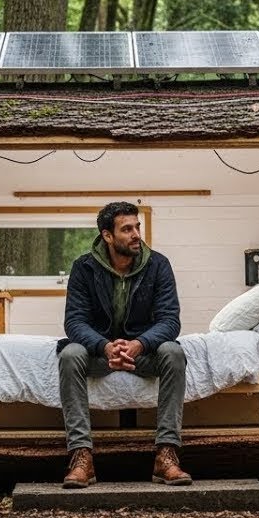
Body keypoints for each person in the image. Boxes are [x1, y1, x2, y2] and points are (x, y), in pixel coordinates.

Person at [57, 201, 190, 489]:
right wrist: (105, 346)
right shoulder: (84, 267)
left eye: (137, 227)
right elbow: (74, 321)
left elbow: (170, 320)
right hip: (99, 353)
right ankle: (81, 457)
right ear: (107, 235)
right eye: (127, 229)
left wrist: (140, 344)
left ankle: (166, 454)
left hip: (142, 352)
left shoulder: (158, 265)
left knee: (173, 352)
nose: (136, 234)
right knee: (70, 354)